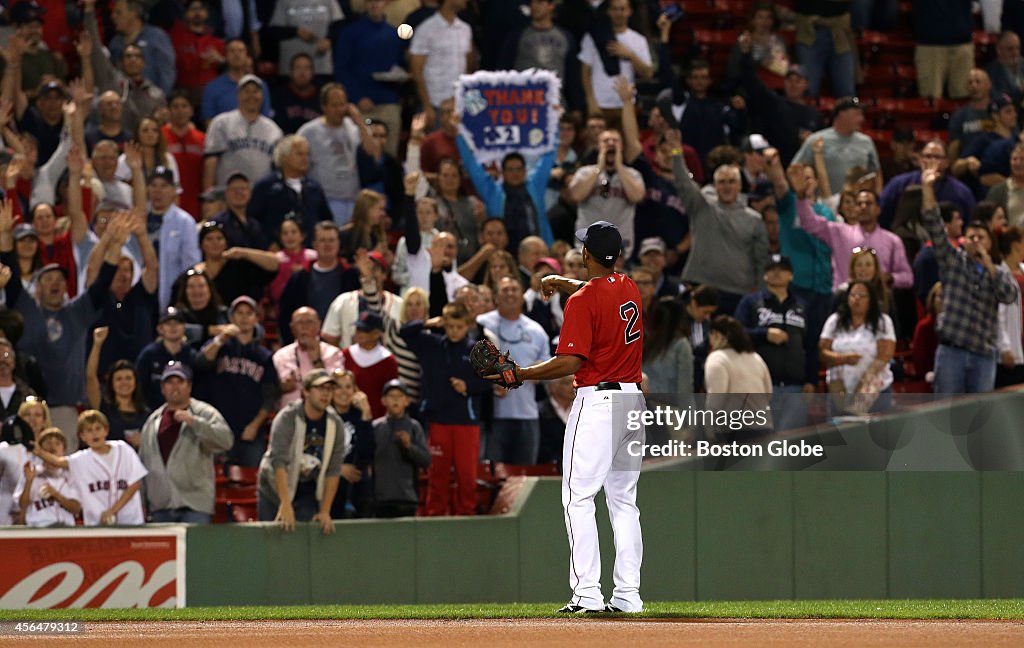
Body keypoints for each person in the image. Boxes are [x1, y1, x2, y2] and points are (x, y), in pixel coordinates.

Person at [492, 220, 645, 613]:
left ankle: (587, 594)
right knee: (623, 503)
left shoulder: (584, 301)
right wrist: (565, 284)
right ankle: (628, 597)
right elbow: (600, 294)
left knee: (578, 499)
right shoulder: (628, 286)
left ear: (586, 254)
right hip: (632, 402)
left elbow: (571, 360)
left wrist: (522, 374)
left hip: (597, 404)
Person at [0, 200, 125, 450]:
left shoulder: (77, 311)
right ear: (36, 287)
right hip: (29, 409)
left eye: (60, 278)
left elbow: (102, 283)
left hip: (66, 409)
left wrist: (116, 245)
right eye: (48, 278)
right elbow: (10, 270)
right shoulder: (26, 306)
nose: (56, 282)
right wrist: (4, 234)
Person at [921, 158, 1017, 393]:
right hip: (952, 351)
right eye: (971, 237)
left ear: (989, 242)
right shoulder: (953, 260)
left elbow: (1009, 295)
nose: (975, 241)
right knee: (946, 415)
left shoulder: (998, 271)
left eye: (980, 238)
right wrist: (927, 188)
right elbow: (934, 223)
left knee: (978, 420)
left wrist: (989, 264)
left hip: (983, 355)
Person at [400, 301, 490, 516]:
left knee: (466, 476)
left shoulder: (476, 350)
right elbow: (404, 332)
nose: (454, 331)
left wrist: (468, 386)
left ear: (468, 325)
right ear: (444, 324)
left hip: (466, 424)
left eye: (459, 327)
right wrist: (428, 323)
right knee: (437, 475)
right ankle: (434, 517)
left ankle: (466, 516)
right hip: (438, 421)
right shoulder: (431, 345)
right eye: (449, 326)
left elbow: (490, 382)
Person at [671, 129, 770, 316]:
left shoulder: (754, 219)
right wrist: (677, 152)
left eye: (732, 181)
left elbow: (761, 260)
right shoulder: (701, 207)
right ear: (715, 186)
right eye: (722, 182)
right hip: (699, 285)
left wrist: (760, 292)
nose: (727, 186)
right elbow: (683, 182)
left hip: (738, 292)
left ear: (740, 186)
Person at [137, 361, 233, 523]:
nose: (175, 387)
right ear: (162, 388)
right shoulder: (153, 420)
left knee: (196, 549)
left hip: (195, 506)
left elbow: (226, 441)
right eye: (169, 382)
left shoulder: (204, 412)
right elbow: (143, 463)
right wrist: (143, 503)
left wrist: (194, 422)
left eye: (180, 382)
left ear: (189, 386)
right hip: (160, 506)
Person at [257, 369, 348, 535]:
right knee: (271, 538)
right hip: (274, 488)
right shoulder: (287, 418)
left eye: (329, 389)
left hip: (307, 486)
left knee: (302, 535)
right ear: (305, 391)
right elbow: (279, 462)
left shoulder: (335, 424)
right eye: (320, 389)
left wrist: (325, 511)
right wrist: (285, 503)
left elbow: (334, 470)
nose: (326, 394)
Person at [734, 255, 815, 432]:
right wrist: (764, 334)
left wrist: (811, 379)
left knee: (789, 446)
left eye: (782, 269)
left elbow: (810, 345)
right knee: (759, 443)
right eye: (772, 269)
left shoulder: (802, 306)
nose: (777, 273)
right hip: (759, 386)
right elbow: (735, 334)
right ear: (764, 275)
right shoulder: (751, 302)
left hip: (795, 386)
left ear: (791, 275)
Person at [197, 296, 279, 467]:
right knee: (212, 481)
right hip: (217, 427)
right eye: (239, 313)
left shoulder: (263, 356)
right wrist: (220, 339)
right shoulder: (220, 348)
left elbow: (270, 395)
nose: (244, 317)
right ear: (231, 318)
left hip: (249, 430)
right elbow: (201, 363)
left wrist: (255, 425)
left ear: (256, 318)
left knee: (253, 483)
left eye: (249, 313)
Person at [477, 276, 551, 465]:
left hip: (527, 415)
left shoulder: (536, 331)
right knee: (493, 475)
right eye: (505, 290)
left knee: (524, 476)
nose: (510, 294)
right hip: (492, 415)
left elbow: (546, 368)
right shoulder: (481, 325)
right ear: (496, 297)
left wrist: (536, 371)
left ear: (522, 296)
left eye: (514, 289)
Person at [32, 409, 147, 526]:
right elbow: (58, 461)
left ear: (106, 431)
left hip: (130, 521)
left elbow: (134, 484)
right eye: (89, 430)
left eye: (98, 428)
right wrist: (39, 452)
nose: (94, 434)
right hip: (97, 525)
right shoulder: (81, 459)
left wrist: (113, 511)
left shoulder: (123, 449)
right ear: (82, 436)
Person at [298, 83, 379, 225]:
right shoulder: (309, 131)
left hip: (353, 197)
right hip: (326, 198)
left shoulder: (353, 127)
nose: (339, 110)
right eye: (334, 105)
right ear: (324, 107)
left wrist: (360, 122)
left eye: (342, 105)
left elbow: (374, 152)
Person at [819, 280, 896, 415]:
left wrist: (862, 388)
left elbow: (884, 355)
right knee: (840, 433)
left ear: (871, 299)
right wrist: (843, 359)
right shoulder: (835, 320)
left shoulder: (882, 321)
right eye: (853, 295)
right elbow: (822, 352)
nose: (857, 299)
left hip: (873, 389)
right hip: (839, 387)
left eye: (862, 295)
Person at [569, 129, 645, 258]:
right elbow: (576, 195)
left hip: (620, 246)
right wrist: (599, 167)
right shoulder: (584, 172)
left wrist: (619, 167)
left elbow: (637, 196)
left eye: (615, 141)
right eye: (605, 141)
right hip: (588, 244)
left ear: (621, 146)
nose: (611, 143)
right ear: (598, 146)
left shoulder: (633, 174)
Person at [203, 75, 283, 191]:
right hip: (227, 194)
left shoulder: (274, 129)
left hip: (261, 197)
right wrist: (208, 195)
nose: (251, 96)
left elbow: (278, 168)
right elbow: (211, 160)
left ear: (262, 96)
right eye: (246, 91)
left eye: (255, 91)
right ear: (238, 95)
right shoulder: (221, 122)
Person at [248, 134, 333, 243]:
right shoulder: (266, 186)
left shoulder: (314, 187)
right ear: (284, 157)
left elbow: (325, 219)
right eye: (300, 154)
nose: (305, 159)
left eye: (307, 154)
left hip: (309, 251)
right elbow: (253, 221)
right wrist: (268, 244)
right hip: (276, 253)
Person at [792, 98, 883, 198]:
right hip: (825, 205)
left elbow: (876, 173)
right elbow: (795, 169)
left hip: (857, 207)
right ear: (842, 114)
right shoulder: (816, 140)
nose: (862, 119)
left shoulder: (866, 141)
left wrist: (877, 197)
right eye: (857, 114)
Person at [704, 315, 773, 440]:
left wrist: (708, 431)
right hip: (763, 426)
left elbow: (716, 400)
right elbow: (768, 392)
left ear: (716, 335)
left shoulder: (717, 359)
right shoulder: (756, 357)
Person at [409, 0, 473, 128]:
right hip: (434, 103)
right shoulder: (426, 29)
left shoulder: (465, 29)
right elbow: (416, 70)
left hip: (458, 104)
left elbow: (467, 67)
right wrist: (426, 106)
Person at [373, 379, 431, 518]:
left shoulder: (414, 426)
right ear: (383, 401)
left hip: (407, 497)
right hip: (381, 498)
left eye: (399, 396)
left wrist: (409, 446)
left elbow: (426, 460)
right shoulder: (376, 427)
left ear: (407, 401)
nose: (395, 400)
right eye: (391, 396)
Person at [86, 328, 151, 447]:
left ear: (135, 382)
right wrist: (97, 344)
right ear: (111, 383)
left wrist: (143, 442)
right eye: (119, 379)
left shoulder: (146, 414)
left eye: (128, 378)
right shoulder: (104, 408)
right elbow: (90, 377)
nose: (124, 382)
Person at [272, 307, 345, 408]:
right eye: (299, 323)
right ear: (292, 328)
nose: (304, 327)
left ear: (318, 325)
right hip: (290, 417)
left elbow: (339, 388)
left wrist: (317, 361)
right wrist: (281, 388)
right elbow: (269, 393)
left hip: (325, 414)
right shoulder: (280, 356)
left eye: (309, 322)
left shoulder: (333, 353)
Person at [15, 427, 80, 526]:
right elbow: (22, 505)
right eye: (48, 442)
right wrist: (29, 482)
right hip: (38, 527)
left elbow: (76, 508)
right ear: (40, 448)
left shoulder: (70, 473)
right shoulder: (31, 472)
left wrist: (56, 495)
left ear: (64, 450)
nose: (52, 446)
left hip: (66, 529)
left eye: (57, 443)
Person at [136, 307, 198, 410]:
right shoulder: (148, 355)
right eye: (168, 323)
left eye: (177, 323)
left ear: (184, 327)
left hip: (187, 412)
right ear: (160, 328)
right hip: (154, 412)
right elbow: (140, 386)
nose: (173, 327)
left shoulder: (191, 355)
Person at [340, 311, 398, 420]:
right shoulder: (345, 354)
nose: (358, 333)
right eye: (358, 329)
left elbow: (391, 394)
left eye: (364, 330)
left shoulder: (388, 361)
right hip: (348, 419)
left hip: (377, 420)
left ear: (377, 333)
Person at [996, 227, 1024, 387]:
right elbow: (999, 315)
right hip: (1014, 345)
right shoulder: (1000, 275)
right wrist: (1004, 346)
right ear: (1015, 245)